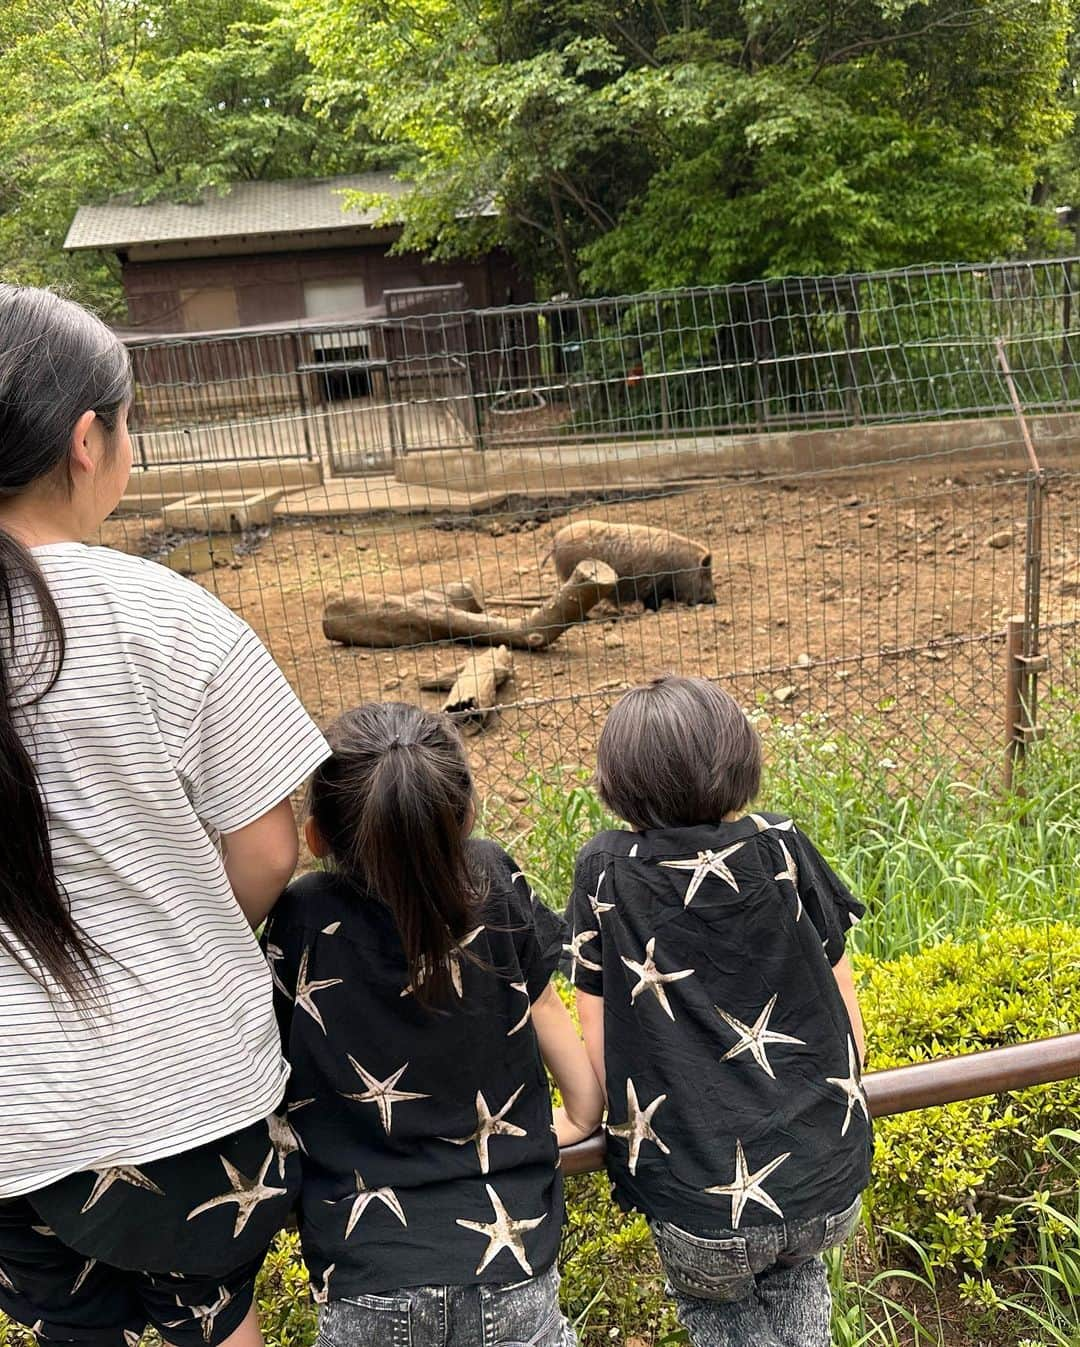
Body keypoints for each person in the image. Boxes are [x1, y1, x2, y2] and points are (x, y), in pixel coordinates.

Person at [0, 286, 331, 1347]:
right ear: (88, 439)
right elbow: (271, 848)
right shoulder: (167, 613)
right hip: (189, 1092)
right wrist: (187, 929)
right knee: (212, 1323)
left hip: (15, 1116)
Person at [263, 701, 604, 1347]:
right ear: (468, 813)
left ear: (315, 837)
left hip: (367, 1273)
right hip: (512, 1266)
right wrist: (581, 1118)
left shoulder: (299, 919)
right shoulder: (492, 880)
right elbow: (551, 1020)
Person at [565, 675, 872, 1347]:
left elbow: (597, 1038)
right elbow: (850, 1013)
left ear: (616, 782)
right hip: (825, 1175)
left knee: (717, 1309)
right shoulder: (781, 844)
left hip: (699, 1200)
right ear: (742, 758)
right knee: (798, 1274)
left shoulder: (605, 869)